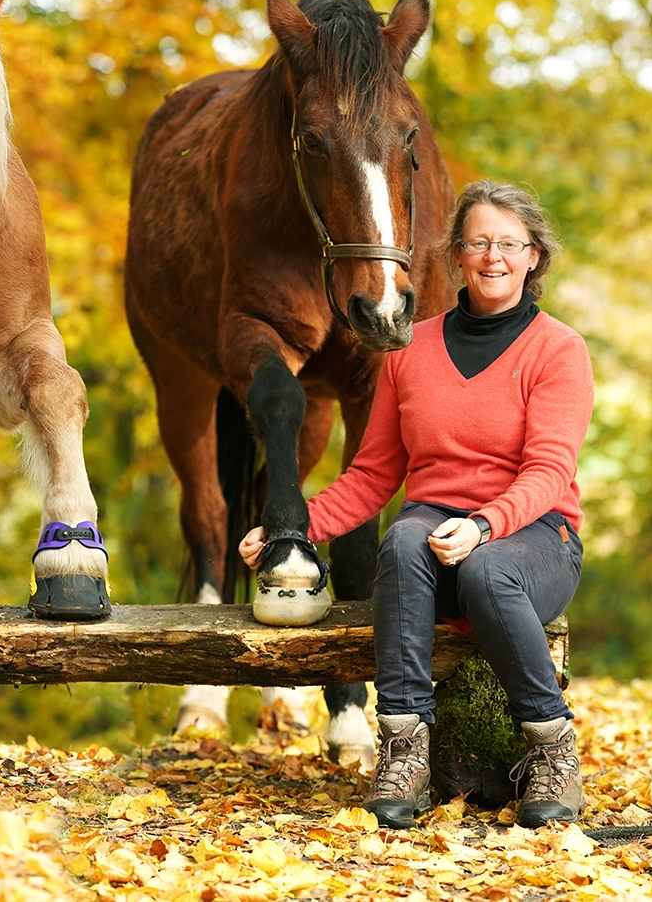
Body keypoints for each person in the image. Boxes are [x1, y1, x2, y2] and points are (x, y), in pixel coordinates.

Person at [241, 180, 593, 829]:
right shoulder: (410, 353)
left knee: (489, 568)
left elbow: (550, 472)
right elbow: (373, 474)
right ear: (455, 255)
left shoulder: (558, 349)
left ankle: (550, 749)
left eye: (509, 244)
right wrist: (291, 530)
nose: (494, 256)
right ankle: (404, 748)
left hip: (536, 538)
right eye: (479, 241)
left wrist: (486, 524)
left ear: (534, 256)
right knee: (403, 538)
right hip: (432, 543)